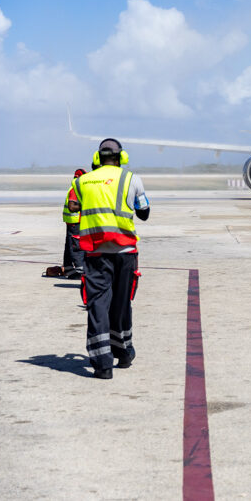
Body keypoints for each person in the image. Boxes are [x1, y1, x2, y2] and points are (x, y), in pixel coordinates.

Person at [68, 138, 149, 379]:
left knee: (98, 305)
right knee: (122, 304)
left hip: (95, 253)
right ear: (121, 157)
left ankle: (102, 365)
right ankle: (123, 354)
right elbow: (144, 213)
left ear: (97, 158)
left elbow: (73, 206)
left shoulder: (82, 181)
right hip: (125, 253)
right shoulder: (131, 179)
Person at [60, 168, 88, 278]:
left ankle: (68, 269)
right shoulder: (76, 189)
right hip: (75, 222)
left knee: (69, 246)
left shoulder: (73, 187)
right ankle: (80, 271)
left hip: (71, 221)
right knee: (76, 247)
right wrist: (86, 206)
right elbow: (72, 207)